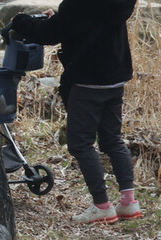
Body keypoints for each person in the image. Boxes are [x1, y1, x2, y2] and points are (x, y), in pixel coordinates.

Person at [10, 1, 141, 225]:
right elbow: (82, 23)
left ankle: (101, 206)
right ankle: (128, 201)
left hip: (88, 78)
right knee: (112, 140)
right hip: (115, 75)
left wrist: (21, 21)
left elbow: (50, 33)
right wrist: (60, 18)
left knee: (80, 143)